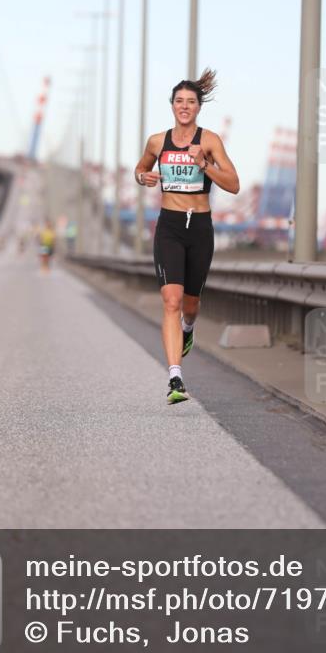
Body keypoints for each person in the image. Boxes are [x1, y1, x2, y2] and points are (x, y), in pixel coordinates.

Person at [134, 68, 240, 404]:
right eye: (179, 101)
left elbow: (234, 184)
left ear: (198, 107)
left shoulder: (209, 141)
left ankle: (188, 330)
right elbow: (141, 168)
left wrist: (205, 165)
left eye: (190, 102)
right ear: (172, 106)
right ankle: (175, 379)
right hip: (169, 226)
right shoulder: (157, 141)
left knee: (190, 306)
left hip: (200, 229)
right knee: (171, 301)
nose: (184, 106)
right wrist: (143, 178)